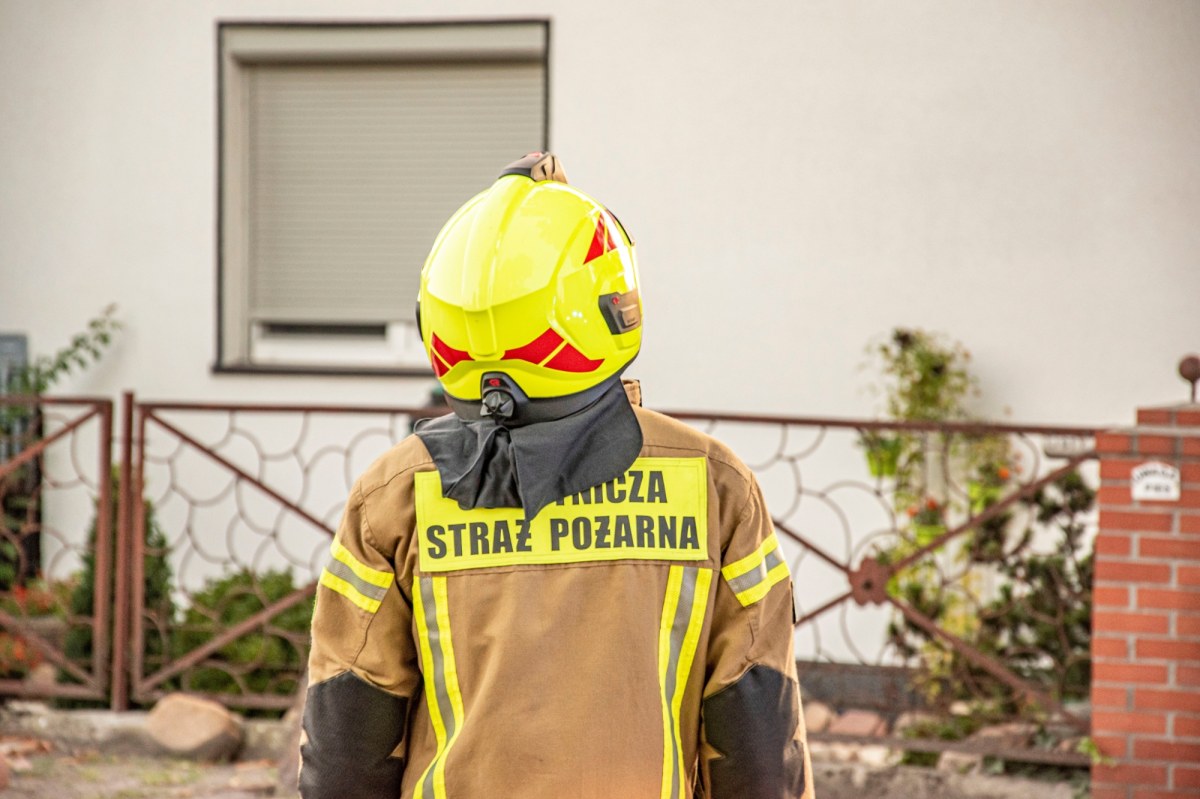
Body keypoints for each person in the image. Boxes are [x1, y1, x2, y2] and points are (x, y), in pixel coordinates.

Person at [299, 153, 815, 799]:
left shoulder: (395, 493)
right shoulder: (712, 484)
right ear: (611, 308)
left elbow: (349, 733)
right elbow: (756, 732)